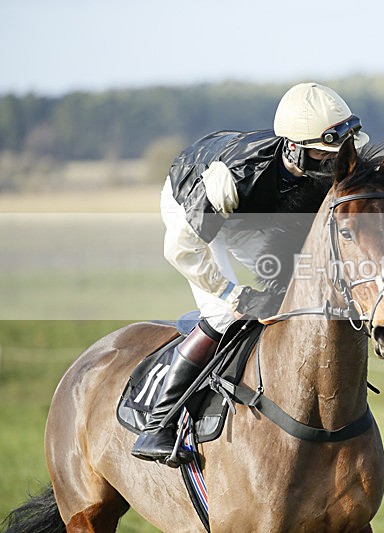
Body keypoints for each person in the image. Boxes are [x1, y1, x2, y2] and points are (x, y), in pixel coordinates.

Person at [131, 82, 369, 465]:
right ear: (293, 147)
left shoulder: (315, 164)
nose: (330, 165)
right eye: (322, 155)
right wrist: (234, 294)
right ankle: (159, 421)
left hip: (253, 211)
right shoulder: (235, 176)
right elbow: (180, 249)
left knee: (293, 286)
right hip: (194, 208)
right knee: (225, 314)